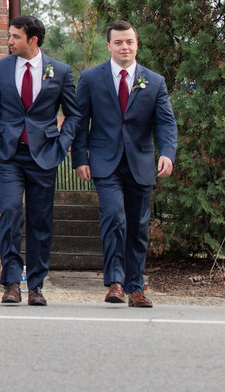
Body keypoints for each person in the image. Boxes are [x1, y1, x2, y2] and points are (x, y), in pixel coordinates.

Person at [72, 20, 177, 308]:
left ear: (136, 44)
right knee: (114, 218)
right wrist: (80, 158)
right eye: (118, 42)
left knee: (139, 226)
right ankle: (115, 282)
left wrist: (167, 152)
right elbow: (80, 122)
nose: (124, 47)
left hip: (140, 163)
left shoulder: (154, 81)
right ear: (109, 46)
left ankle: (136, 287)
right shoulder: (92, 78)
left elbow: (166, 123)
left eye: (129, 42)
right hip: (105, 163)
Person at [0, 14, 79, 306]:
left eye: (15, 37)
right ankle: (11, 282)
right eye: (9, 36)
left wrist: (62, 144)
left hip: (44, 155)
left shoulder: (59, 71)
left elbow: (74, 114)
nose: (10, 41)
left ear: (33, 40)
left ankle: (36, 285)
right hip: (8, 155)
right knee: (10, 212)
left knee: (40, 220)